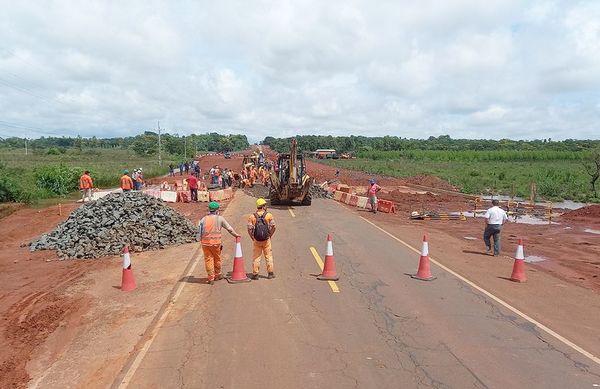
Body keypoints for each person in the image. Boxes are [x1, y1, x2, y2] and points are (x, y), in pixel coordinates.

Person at [198, 202, 240, 284]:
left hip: (205, 244)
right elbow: (229, 229)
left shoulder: (203, 219)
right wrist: (236, 235)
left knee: (208, 259)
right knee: (217, 258)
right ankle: (218, 275)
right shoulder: (220, 219)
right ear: (217, 210)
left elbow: (199, 232)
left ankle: (210, 278)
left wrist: (201, 240)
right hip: (216, 243)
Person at [247, 198, 276, 280]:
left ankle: (255, 274)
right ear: (263, 206)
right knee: (268, 256)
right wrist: (270, 235)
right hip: (266, 240)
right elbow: (274, 226)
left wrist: (252, 237)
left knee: (256, 257)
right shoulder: (269, 215)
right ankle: (270, 273)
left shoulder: (252, 216)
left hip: (257, 240)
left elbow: (249, 229)